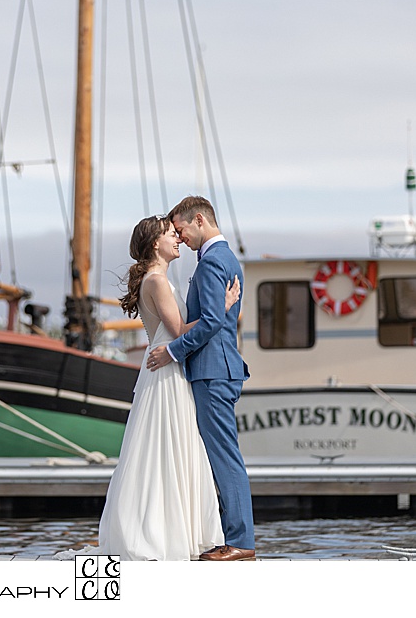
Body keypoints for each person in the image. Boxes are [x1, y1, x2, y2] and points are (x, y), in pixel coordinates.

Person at [97, 214, 241, 560]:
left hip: (167, 368)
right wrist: (220, 308)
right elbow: (178, 330)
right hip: (165, 372)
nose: (177, 238)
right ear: (154, 244)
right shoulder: (157, 281)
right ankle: (164, 533)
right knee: (167, 450)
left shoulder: (158, 279)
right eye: (169, 234)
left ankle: (175, 529)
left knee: (170, 449)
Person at [147, 196, 256, 561]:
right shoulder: (223, 259)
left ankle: (239, 542)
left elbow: (211, 322)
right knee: (221, 455)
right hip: (218, 368)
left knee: (224, 457)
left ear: (198, 220)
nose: (181, 238)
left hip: (212, 369)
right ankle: (232, 537)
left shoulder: (211, 263)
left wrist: (173, 352)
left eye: (181, 230)